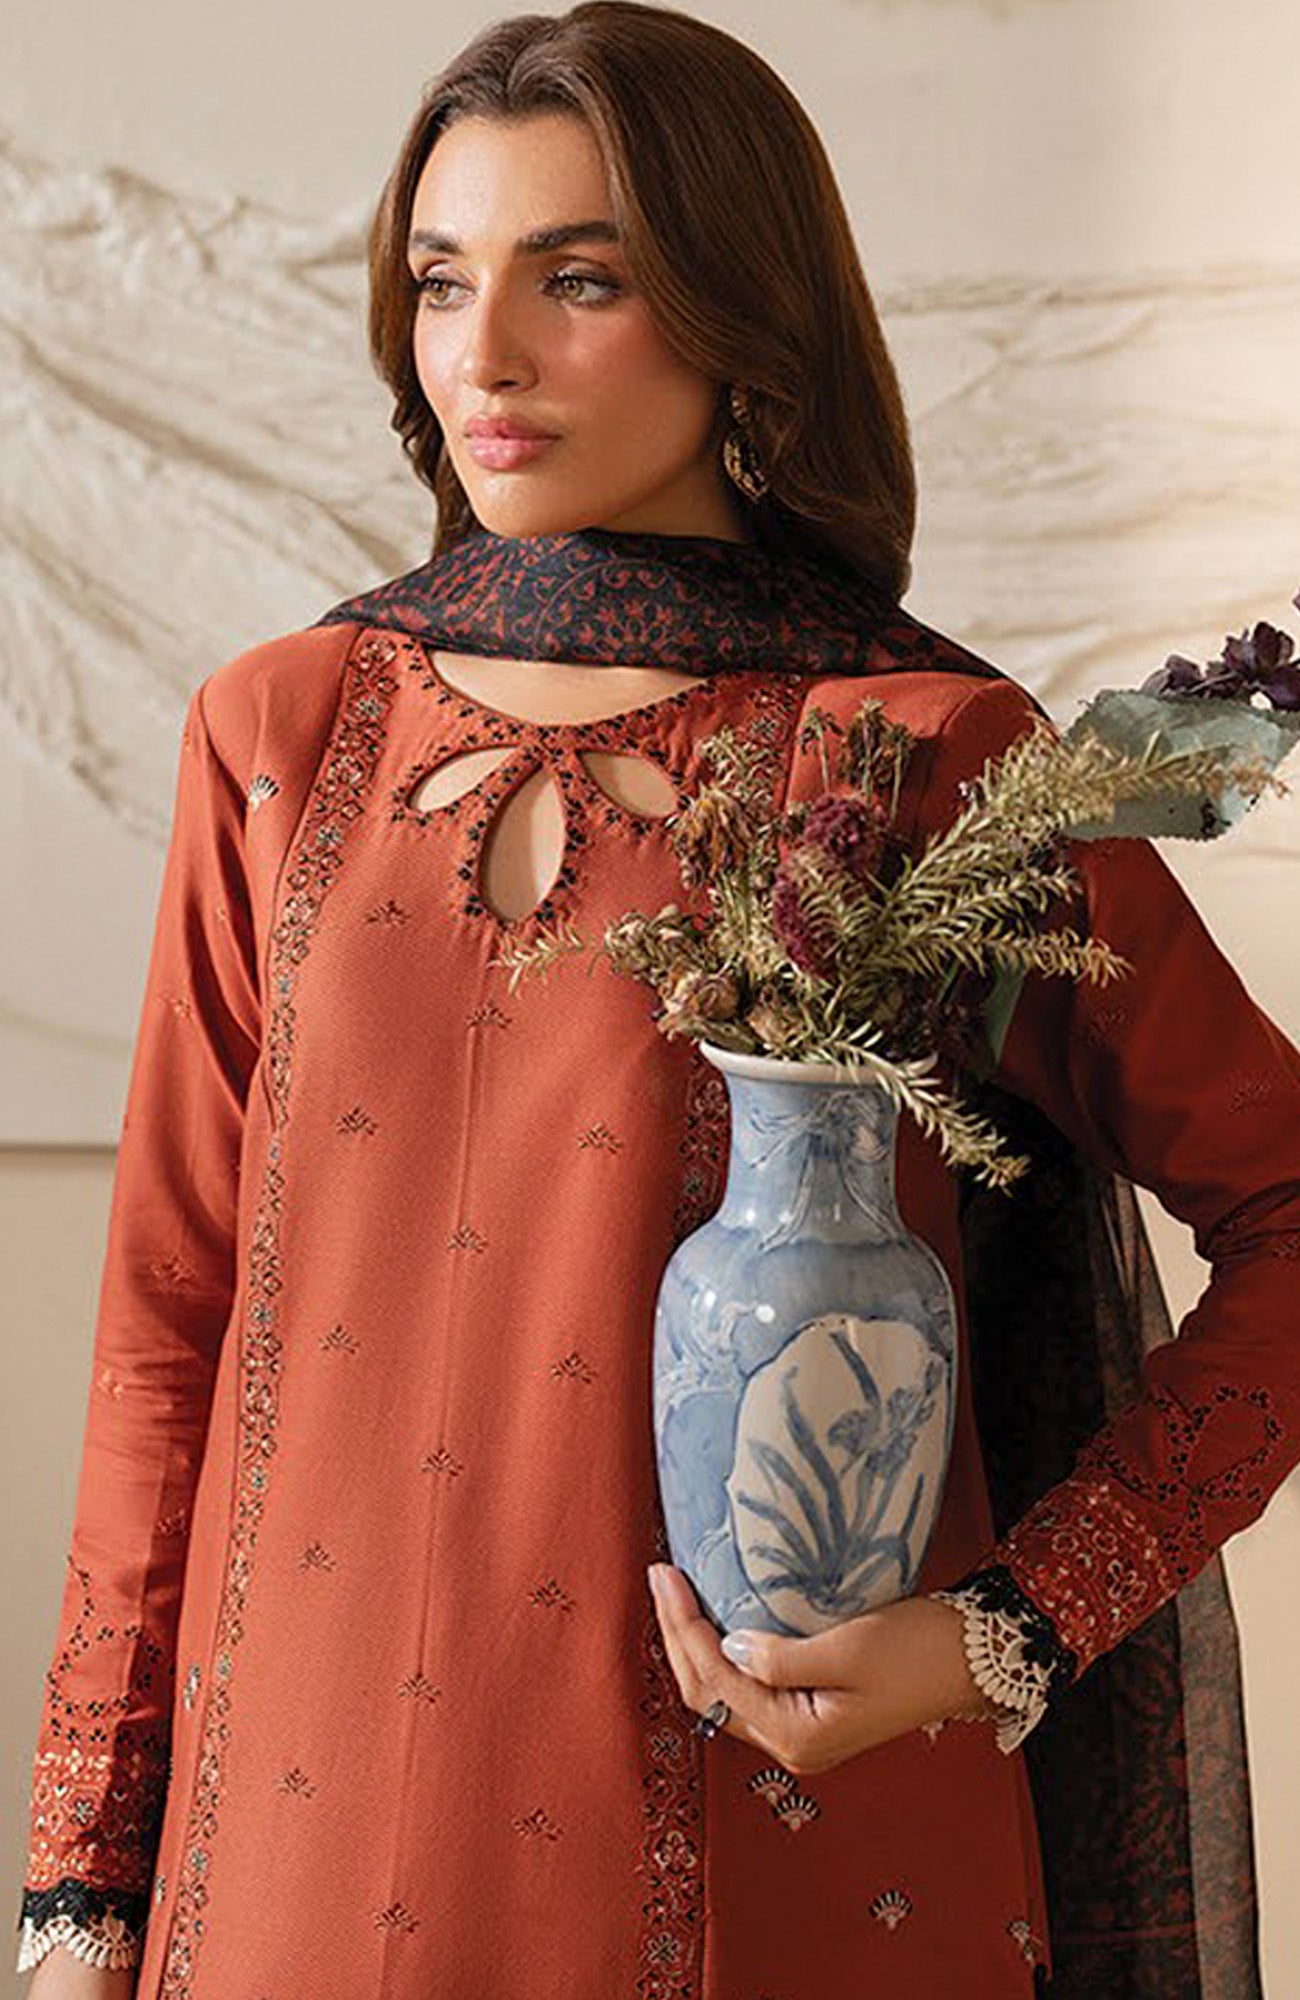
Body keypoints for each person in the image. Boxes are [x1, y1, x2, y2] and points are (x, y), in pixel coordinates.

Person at [15, 4, 1299, 1995]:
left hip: (783, 1848)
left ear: (739, 314)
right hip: (290, 1858)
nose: (484, 356)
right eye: (442, 280)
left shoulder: (919, 759)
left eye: (580, 279)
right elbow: (167, 1331)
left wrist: (1005, 1630)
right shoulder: (281, 730)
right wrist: (78, 1898)